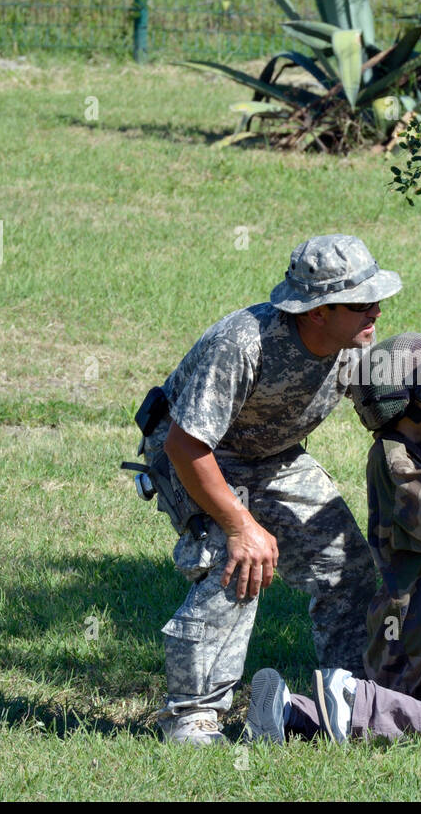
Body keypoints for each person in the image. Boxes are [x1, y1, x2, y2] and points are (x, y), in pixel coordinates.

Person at [143, 234, 400, 746]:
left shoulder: (354, 342)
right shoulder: (243, 344)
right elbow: (184, 444)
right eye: (358, 302)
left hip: (273, 456)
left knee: (344, 560)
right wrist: (241, 525)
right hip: (193, 457)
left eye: (376, 298)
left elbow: (389, 408)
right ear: (316, 312)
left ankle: (347, 699)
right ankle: (191, 717)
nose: (374, 310)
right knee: (237, 561)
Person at [245, 332, 421, 744]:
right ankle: (353, 698)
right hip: (419, 633)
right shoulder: (395, 458)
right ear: (401, 395)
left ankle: (289, 711)